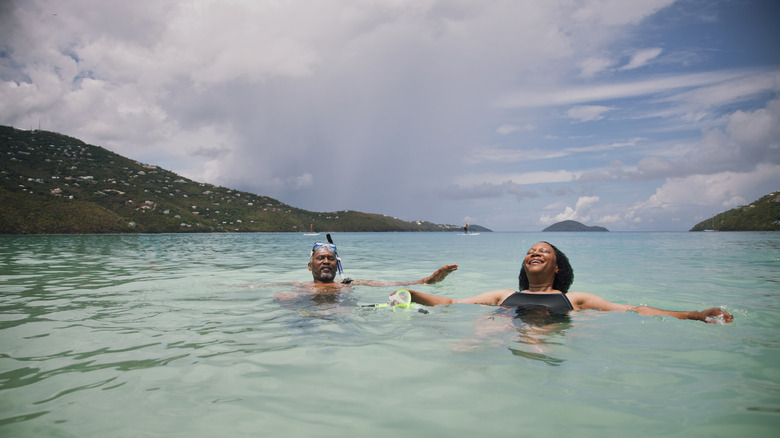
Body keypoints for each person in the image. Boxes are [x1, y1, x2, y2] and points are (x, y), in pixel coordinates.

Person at [405, 241, 733, 324]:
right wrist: (412, 294)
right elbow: (452, 303)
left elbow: (634, 309)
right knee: (482, 333)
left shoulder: (575, 299)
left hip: (551, 330)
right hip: (505, 327)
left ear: (557, 267)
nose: (535, 252)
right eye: (530, 251)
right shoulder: (504, 294)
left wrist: (694, 315)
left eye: (543, 251)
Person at [307, 241, 457, 288]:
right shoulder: (300, 288)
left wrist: (427, 280)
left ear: (336, 264)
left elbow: (387, 284)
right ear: (310, 266)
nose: (326, 261)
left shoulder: (349, 284)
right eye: (321, 258)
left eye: (330, 258)